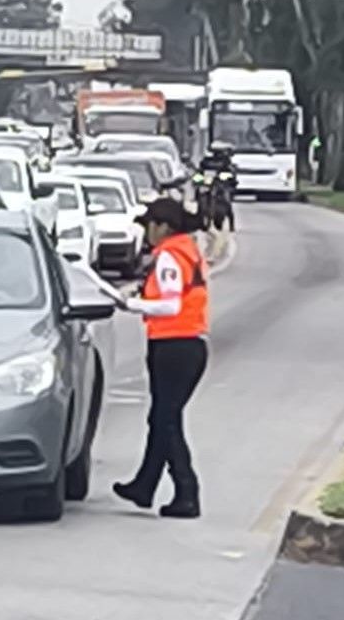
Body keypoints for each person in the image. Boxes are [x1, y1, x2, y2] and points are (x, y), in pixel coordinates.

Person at [95, 198, 209, 518]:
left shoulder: (170, 256)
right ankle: (144, 486)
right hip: (184, 345)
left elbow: (170, 305)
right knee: (161, 418)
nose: (145, 232)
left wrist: (132, 305)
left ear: (163, 226)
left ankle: (187, 493)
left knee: (167, 420)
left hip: (175, 346)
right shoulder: (184, 250)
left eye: (148, 225)